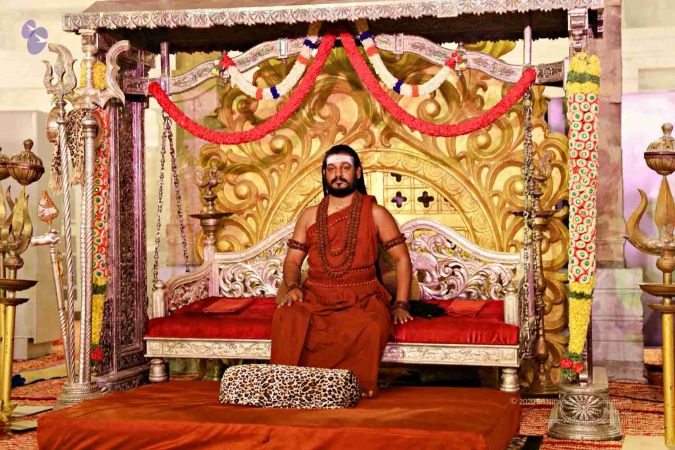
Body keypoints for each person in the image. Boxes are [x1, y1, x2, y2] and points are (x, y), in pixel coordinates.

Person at [271, 144, 413, 397]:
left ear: (357, 172)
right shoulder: (309, 215)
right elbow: (292, 261)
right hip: (316, 295)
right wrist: (292, 287)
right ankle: (296, 388)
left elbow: (402, 259)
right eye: (332, 169)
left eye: (345, 168)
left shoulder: (376, 213)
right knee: (288, 315)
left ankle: (351, 388)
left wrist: (401, 304)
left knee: (369, 324)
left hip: (363, 296)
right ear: (325, 174)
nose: (338, 174)